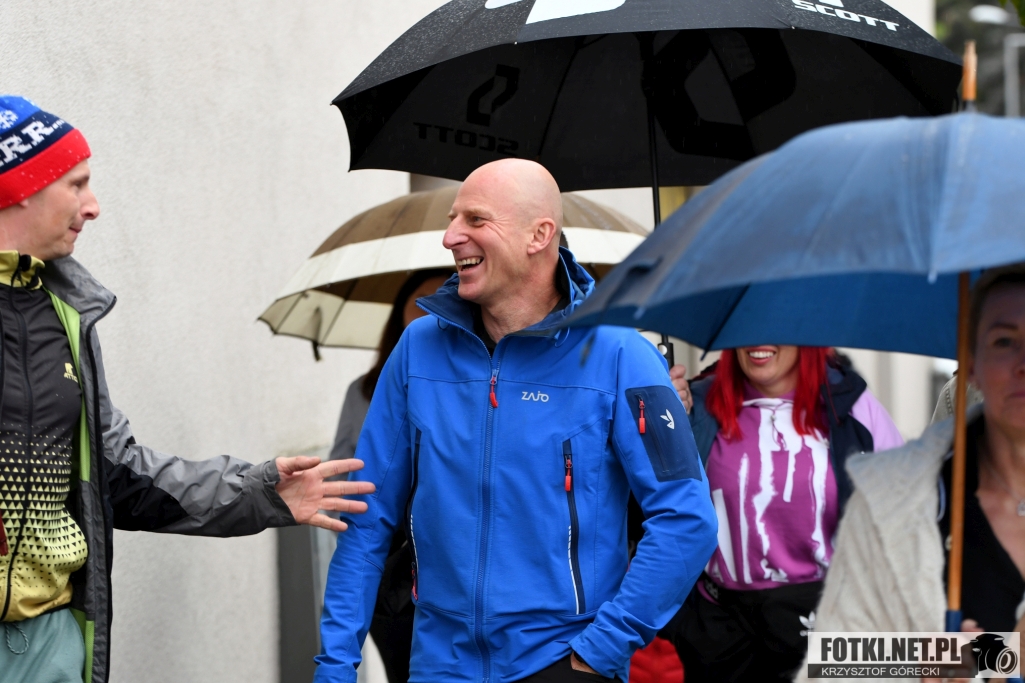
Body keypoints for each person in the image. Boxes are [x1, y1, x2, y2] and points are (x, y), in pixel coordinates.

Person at [0, 95, 374, 683]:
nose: (93, 206)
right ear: (21, 187)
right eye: (76, 184)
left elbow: (118, 473)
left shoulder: (67, 315)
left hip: (50, 644)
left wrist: (262, 493)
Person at [315, 158, 718, 683]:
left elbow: (686, 520)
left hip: (562, 663)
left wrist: (603, 648)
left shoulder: (622, 355)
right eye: (453, 219)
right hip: (440, 665)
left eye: (476, 220)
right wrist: (335, 666)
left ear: (539, 235)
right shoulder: (417, 349)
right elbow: (366, 518)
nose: (450, 237)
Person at [795, 265, 1025, 683]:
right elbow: (834, 663)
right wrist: (926, 661)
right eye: (1004, 341)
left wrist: (999, 657)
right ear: (971, 364)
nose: (1024, 363)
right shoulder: (894, 504)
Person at [664, 346, 902, 682]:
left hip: (823, 623)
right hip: (721, 632)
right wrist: (661, 420)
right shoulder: (696, 404)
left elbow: (904, 517)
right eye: (748, 328)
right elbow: (649, 506)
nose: (758, 341)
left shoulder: (851, 405)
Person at [327, 268, 450, 683]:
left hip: (451, 565)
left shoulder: (470, 387)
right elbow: (341, 473)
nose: (429, 311)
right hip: (391, 564)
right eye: (419, 302)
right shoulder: (364, 390)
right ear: (399, 314)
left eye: (441, 299)